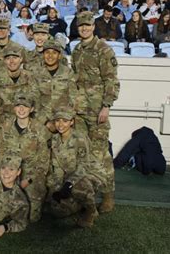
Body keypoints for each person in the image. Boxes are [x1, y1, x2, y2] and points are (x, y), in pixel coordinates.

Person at [71, 11, 120, 214]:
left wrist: (107, 106)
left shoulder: (103, 50)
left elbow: (111, 80)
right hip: (79, 111)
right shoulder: (76, 50)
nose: (84, 28)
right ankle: (86, 195)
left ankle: (108, 195)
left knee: (100, 154)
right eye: (81, 25)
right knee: (82, 154)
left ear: (93, 26)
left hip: (97, 110)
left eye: (88, 25)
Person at [46, 108, 107, 228]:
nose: (60, 124)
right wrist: (55, 188)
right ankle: (78, 204)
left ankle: (91, 211)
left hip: (88, 174)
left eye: (65, 121)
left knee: (78, 186)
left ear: (72, 122)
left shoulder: (80, 138)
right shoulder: (54, 139)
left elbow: (84, 165)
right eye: (57, 120)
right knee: (57, 211)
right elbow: (56, 167)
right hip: (66, 176)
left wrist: (69, 183)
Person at [0, 95, 51, 222]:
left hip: (32, 175)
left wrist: (28, 179)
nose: (21, 109)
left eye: (25, 106)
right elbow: (0, 154)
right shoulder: (5, 127)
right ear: (14, 108)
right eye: (18, 106)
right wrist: (6, 177)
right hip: (10, 173)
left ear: (31, 109)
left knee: (32, 218)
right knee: (2, 214)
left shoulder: (40, 130)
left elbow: (43, 161)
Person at [0, 45, 37, 123]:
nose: (11, 61)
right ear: (4, 61)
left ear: (21, 59)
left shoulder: (30, 77)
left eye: (15, 58)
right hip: (2, 123)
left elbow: (36, 102)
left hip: (26, 122)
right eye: (8, 58)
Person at [34, 40, 78, 126]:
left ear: (59, 55)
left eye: (54, 53)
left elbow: (73, 98)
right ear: (43, 55)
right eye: (47, 52)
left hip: (63, 120)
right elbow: (34, 100)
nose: (50, 56)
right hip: (41, 120)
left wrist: (64, 120)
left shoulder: (68, 73)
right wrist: (45, 122)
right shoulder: (36, 74)